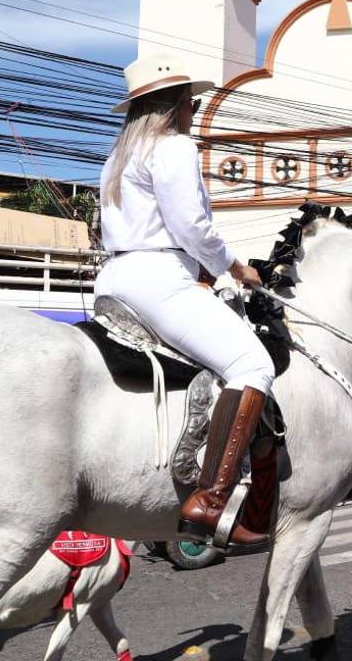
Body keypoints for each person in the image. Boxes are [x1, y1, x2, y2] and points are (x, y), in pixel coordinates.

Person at [95, 53, 275, 548]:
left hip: (114, 280)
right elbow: (192, 227)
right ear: (174, 105)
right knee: (251, 365)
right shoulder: (173, 147)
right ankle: (211, 500)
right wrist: (235, 268)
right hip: (159, 277)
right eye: (191, 101)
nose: (194, 109)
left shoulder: (118, 155)